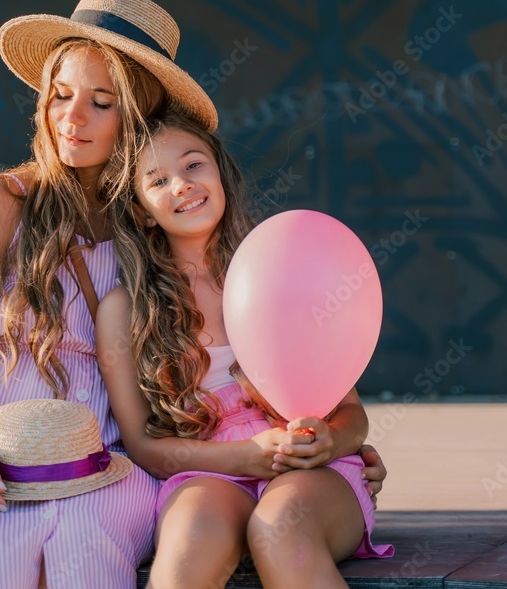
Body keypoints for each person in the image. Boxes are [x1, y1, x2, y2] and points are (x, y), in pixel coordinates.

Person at [0, 0, 388, 589]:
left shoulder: (148, 218)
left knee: (89, 560)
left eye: (101, 103)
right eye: (59, 95)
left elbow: (265, 357)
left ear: (137, 118)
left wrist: (333, 442)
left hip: (111, 465)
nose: (71, 119)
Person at [96, 110, 394, 589]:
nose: (182, 185)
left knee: (281, 528)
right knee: (188, 546)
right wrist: (246, 457)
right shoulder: (126, 308)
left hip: (311, 469)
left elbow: (352, 415)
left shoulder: (282, 264)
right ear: (139, 210)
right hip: (209, 470)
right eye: (158, 180)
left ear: (220, 171)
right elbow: (145, 447)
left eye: (193, 165)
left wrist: (330, 442)